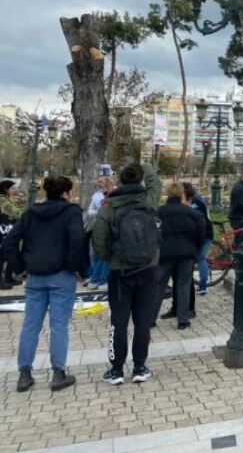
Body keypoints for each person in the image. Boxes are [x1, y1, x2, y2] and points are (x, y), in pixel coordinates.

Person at [4, 176, 88, 392]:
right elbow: (78, 240)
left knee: (31, 325)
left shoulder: (31, 213)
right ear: (65, 193)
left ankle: (24, 374)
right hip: (61, 274)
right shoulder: (71, 213)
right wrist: (75, 267)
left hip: (34, 274)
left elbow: (10, 240)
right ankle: (58, 373)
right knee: (58, 325)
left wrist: (19, 266)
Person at [93, 162, 162, 385]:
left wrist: (110, 259)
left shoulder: (109, 206)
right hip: (148, 268)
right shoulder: (149, 201)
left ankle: (116, 370)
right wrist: (146, 166)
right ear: (139, 180)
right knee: (143, 320)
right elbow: (155, 183)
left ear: (120, 181)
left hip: (120, 271)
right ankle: (140, 367)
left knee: (118, 321)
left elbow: (99, 241)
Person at [153, 183, 209, 330]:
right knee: (183, 286)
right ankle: (183, 319)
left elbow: (153, 232)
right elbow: (201, 232)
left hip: (165, 253)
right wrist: (193, 246)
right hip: (186, 253)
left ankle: (150, 318)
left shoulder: (159, 212)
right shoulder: (192, 213)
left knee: (158, 286)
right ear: (181, 195)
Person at [183, 183, 212, 295]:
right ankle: (202, 286)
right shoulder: (200, 200)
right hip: (206, 233)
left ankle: (202, 286)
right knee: (201, 258)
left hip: (202, 234)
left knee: (201, 258)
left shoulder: (195, 203)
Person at [85, 176, 114, 290]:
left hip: (109, 226)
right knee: (98, 254)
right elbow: (89, 211)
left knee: (104, 254)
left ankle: (99, 278)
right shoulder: (96, 196)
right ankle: (96, 278)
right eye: (98, 181)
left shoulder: (115, 192)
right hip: (99, 226)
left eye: (101, 181)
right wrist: (99, 212)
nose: (99, 183)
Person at [0, 180, 24, 289]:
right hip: (3, 230)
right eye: (13, 188)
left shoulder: (7, 200)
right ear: (6, 189)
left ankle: (8, 277)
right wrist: (20, 205)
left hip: (7, 230)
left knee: (10, 253)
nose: (15, 190)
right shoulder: (2, 200)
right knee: (1, 255)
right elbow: (17, 213)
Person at [228, 168, 243, 239]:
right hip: (238, 218)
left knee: (240, 238)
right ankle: (236, 249)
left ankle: (233, 248)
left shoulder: (242, 186)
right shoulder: (239, 188)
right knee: (240, 241)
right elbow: (239, 204)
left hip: (239, 218)